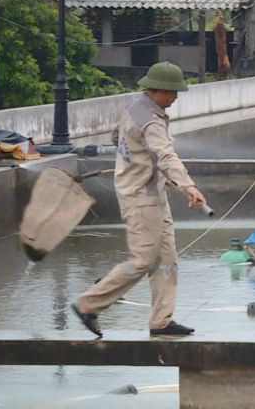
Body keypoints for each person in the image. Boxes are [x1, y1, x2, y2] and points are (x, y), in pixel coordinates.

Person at [72, 62, 207, 338]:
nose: (176, 97)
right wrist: (189, 185)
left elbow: (115, 136)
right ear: (158, 90)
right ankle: (88, 304)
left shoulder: (133, 108)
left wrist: (134, 157)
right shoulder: (151, 121)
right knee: (144, 259)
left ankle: (161, 321)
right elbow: (166, 155)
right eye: (173, 92)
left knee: (166, 259)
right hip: (141, 197)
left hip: (153, 193)